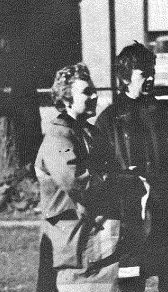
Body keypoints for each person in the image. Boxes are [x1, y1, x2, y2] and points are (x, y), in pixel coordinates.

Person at [93, 41, 168, 292]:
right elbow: (101, 172)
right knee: (130, 283)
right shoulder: (110, 120)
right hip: (130, 219)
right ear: (125, 78)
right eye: (143, 73)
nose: (150, 78)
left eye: (152, 70)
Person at [35, 63, 120, 292]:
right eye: (86, 92)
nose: (94, 96)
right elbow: (77, 181)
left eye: (93, 90)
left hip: (94, 238)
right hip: (72, 242)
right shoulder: (59, 137)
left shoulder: (88, 132)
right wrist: (120, 183)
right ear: (66, 100)